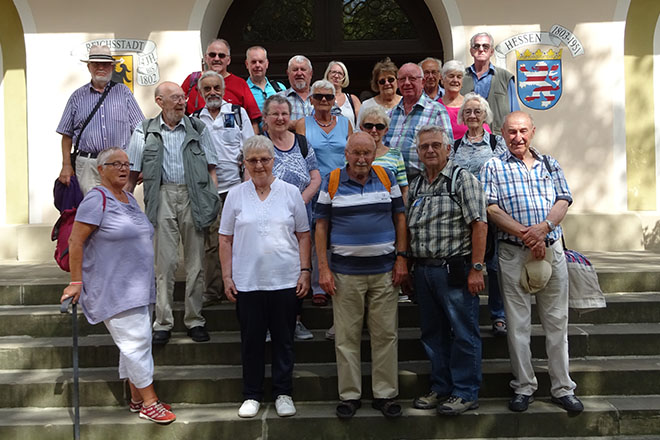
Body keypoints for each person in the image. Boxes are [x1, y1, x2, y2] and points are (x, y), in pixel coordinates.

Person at [60, 147, 175, 424]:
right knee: (135, 344)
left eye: (126, 164)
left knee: (136, 344)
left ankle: (136, 398)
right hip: (115, 288)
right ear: (101, 170)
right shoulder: (96, 199)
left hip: (137, 288)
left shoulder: (128, 199)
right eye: (116, 164)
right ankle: (150, 402)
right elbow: (75, 242)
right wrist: (76, 282)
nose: (124, 168)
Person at [481, 111, 583, 413]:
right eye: (512, 132)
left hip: (552, 250)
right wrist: (528, 235)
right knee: (518, 324)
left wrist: (544, 230)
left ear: (533, 131)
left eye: (523, 131)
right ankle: (524, 387)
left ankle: (563, 387)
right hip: (513, 252)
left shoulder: (549, 163)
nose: (518, 137)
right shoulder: (493, 166)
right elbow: (491, 207)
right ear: (503, 133)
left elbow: (563, 199)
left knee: (557, 323)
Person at [315, 132, 407, 419]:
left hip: (384, 272)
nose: (362, 158)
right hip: (344, 275)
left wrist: (402, 258)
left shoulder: (387, 176)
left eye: (367, 152)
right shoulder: (332, 180)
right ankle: (350, 396)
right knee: (346, 337)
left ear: (374, 153)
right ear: (346, 154)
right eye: (356, 152)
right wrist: (324, 268)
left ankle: (385, 394)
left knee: (385, 335)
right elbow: (320, 226)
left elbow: (400, 218)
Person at [219, 135, 311, 419]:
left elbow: (303, 234)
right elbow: (225, 239)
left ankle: (283, 392)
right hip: (248, 282)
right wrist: (227, 276)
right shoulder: (235, 194)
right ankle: (252, 394)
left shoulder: (290, 192)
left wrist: (305, 271)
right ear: (244, 163)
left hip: (284, 279)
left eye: (264, 159)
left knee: (284, 340)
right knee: (252, 341)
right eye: (253, 160)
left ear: (273, 161)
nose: (259, 165)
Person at [126, 81, 220, 345]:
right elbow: (132, 174)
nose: (181, 102)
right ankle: (163, 322)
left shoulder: (198, 128)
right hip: (162, 195)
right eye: (175, 98)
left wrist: (212, 199)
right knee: (165, 264)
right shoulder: (144, 130)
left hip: (194, 196)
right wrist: (126, 207)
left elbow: (212, 169)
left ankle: (195, 319)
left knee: (196, 263)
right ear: (160, 101)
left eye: (183, 97)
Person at [407, 126, 487, 416]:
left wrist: (477, 269)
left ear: (448, 149)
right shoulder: (416, 185)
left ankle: (465, 392)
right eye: (424, 146)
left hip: (455, 269)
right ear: (418, 151)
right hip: (424, 270)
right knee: (432, 333)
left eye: (436, 145)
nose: (430, 150)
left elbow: (480, 224)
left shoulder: (462, 180)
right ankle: (440, 387)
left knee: (463, 332)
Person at [262, 94, 321, 340]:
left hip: (300, 216)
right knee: (268, 269)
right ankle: (267, 325)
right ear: (265, 117)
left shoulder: (302, 142)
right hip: (267, 219)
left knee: (299, 268)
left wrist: (300, 200)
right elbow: (249, 178)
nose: (280, 118)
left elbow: (316, 177)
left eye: (284, 113)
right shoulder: (259, 143)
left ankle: (295, 321)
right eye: (274, 113)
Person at [194, 71, 255, 306]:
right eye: (207, 89)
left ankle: (240, 287)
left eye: (216, 88)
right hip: (208, 190)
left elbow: (250, 149)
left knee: (240, 239)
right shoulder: (195, 119)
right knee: (212, 242)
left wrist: (247, 184)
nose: (212, 93)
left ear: (223, 90)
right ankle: (212, 290)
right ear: (200, 93)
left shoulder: (237, 114)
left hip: (236, 187)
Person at [451, 92, 508, 336]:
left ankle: (499, 316)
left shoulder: (497, 143)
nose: (473, 115)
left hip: (492, 213)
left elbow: (506, 175)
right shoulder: (454, 146)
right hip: (464, 215)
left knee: (494, 268)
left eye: (478, 111)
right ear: (462, 116)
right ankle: (466, 316)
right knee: (466, 266)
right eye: (468, 111)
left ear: (485, 116)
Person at [295, 79, 353, 307]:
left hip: (341, 186)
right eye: (318, 97)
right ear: (311, 100)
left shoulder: (345, 123)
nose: (324, 101)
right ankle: (317, 284)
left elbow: (350, 153)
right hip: (313, 187)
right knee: (313, 235)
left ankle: (337, 281)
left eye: (328, 97)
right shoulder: (303, 124)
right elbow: (299, 157)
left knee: (338, 236)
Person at [57, 45, 144, 195]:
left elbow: (140, 131)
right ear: (89, 67)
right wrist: (66, 165)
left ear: (112, 67)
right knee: (91, 209)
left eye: (105, 64)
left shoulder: (124, 93)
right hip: (87, 166)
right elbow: (66, 135)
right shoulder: (77, 97)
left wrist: (140, 165)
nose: (101, 68)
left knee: (118, 210)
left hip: (118, 164)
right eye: (96, 64)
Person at [383, 63, 453, 181]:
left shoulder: (436, 110)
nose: (406, 83)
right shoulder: (389, 114)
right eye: (402, 79)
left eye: (412, 79)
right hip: (391, 181)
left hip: (424, 180)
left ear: (423, 82)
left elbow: (448, 149)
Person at [181, 39, 261, 132]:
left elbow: (253, 121)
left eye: (221, 55)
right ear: (206, 58)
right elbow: (177, 110)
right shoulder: (192, 80)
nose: (216, 59)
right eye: (212, 55)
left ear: (228, 60)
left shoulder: (240, 83)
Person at [461, 32, 520, 135]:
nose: (481, 49)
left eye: (485, 46)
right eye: (476, 46)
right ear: (471, 51)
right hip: (467, 138)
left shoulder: (505, 78)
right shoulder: (461, 77)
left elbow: (515, 114)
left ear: (491, 51)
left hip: (498, 139)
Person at [358, 106, 408, 203]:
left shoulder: (396, 155)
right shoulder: (353, 155)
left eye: (379, 127)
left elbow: (404, 189)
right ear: (361, 128)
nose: (374, 130)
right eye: (369, 126)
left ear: (386, 130)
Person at [440, 61, 491, 140]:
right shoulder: (435, 107)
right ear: (442, 79)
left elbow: (485, 132)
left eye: (459, 77)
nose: (455, 80)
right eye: (451, 76)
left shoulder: (471, 104)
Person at [245, 46, 286, 111]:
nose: (257, 65)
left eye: (261, 62)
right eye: (253, 62)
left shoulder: (280, 88)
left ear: (267, 64)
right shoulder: (242, 90)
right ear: (247, 64)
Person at [324, 61, 361, 128]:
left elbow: (361, 125)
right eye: (333, 72)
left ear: (344, 78)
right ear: (327, 74)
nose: (336, 76)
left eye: (340, 73)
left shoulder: (353, 99)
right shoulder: (320, 98)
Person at [280, 55, 314, 121]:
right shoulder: (277, 99)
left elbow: (337, 123)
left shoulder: (324, 97)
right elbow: (269, 126)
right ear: (288, 73)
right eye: (295, 70)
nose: (299, 73)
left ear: (311, 73)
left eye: (303, 69)